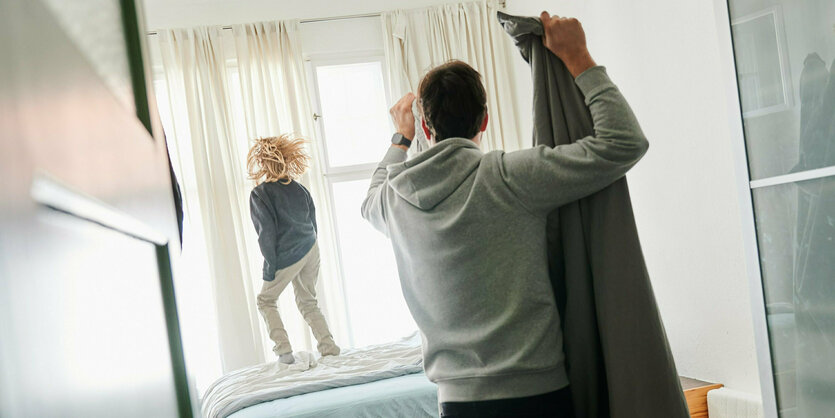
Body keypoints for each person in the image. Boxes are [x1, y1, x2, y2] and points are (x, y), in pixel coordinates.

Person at [361, 12, 648, 417]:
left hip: (458, 405)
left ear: (426, 127)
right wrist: (579, 58)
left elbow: (370, 194)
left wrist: (400, 137)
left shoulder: (394, 199)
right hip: (538, 398)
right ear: (485, 119)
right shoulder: (511, 176)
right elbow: (624, 142)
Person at [247, 134, 340, 364]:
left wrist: (270, 268)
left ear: (263, 162)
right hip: (311, 246)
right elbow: (313, 220)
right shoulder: (299, 188)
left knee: (265, 300)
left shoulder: (260, 193)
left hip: (289, 252)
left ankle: (284, 352)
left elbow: (266, 235)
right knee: (308, 301)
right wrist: (309, 245)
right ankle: (328, 347)